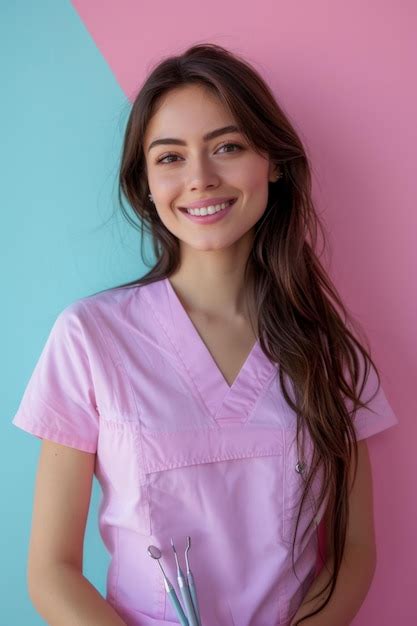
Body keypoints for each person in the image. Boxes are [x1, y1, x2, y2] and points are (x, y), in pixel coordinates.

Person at [12, 43, 399, 626]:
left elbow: (354, 552)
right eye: (170, 157)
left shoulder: (327, 342)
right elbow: (51, 571)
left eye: (227, 146)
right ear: (144, 182)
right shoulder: (89, 337)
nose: (200, 178)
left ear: (272, 162)